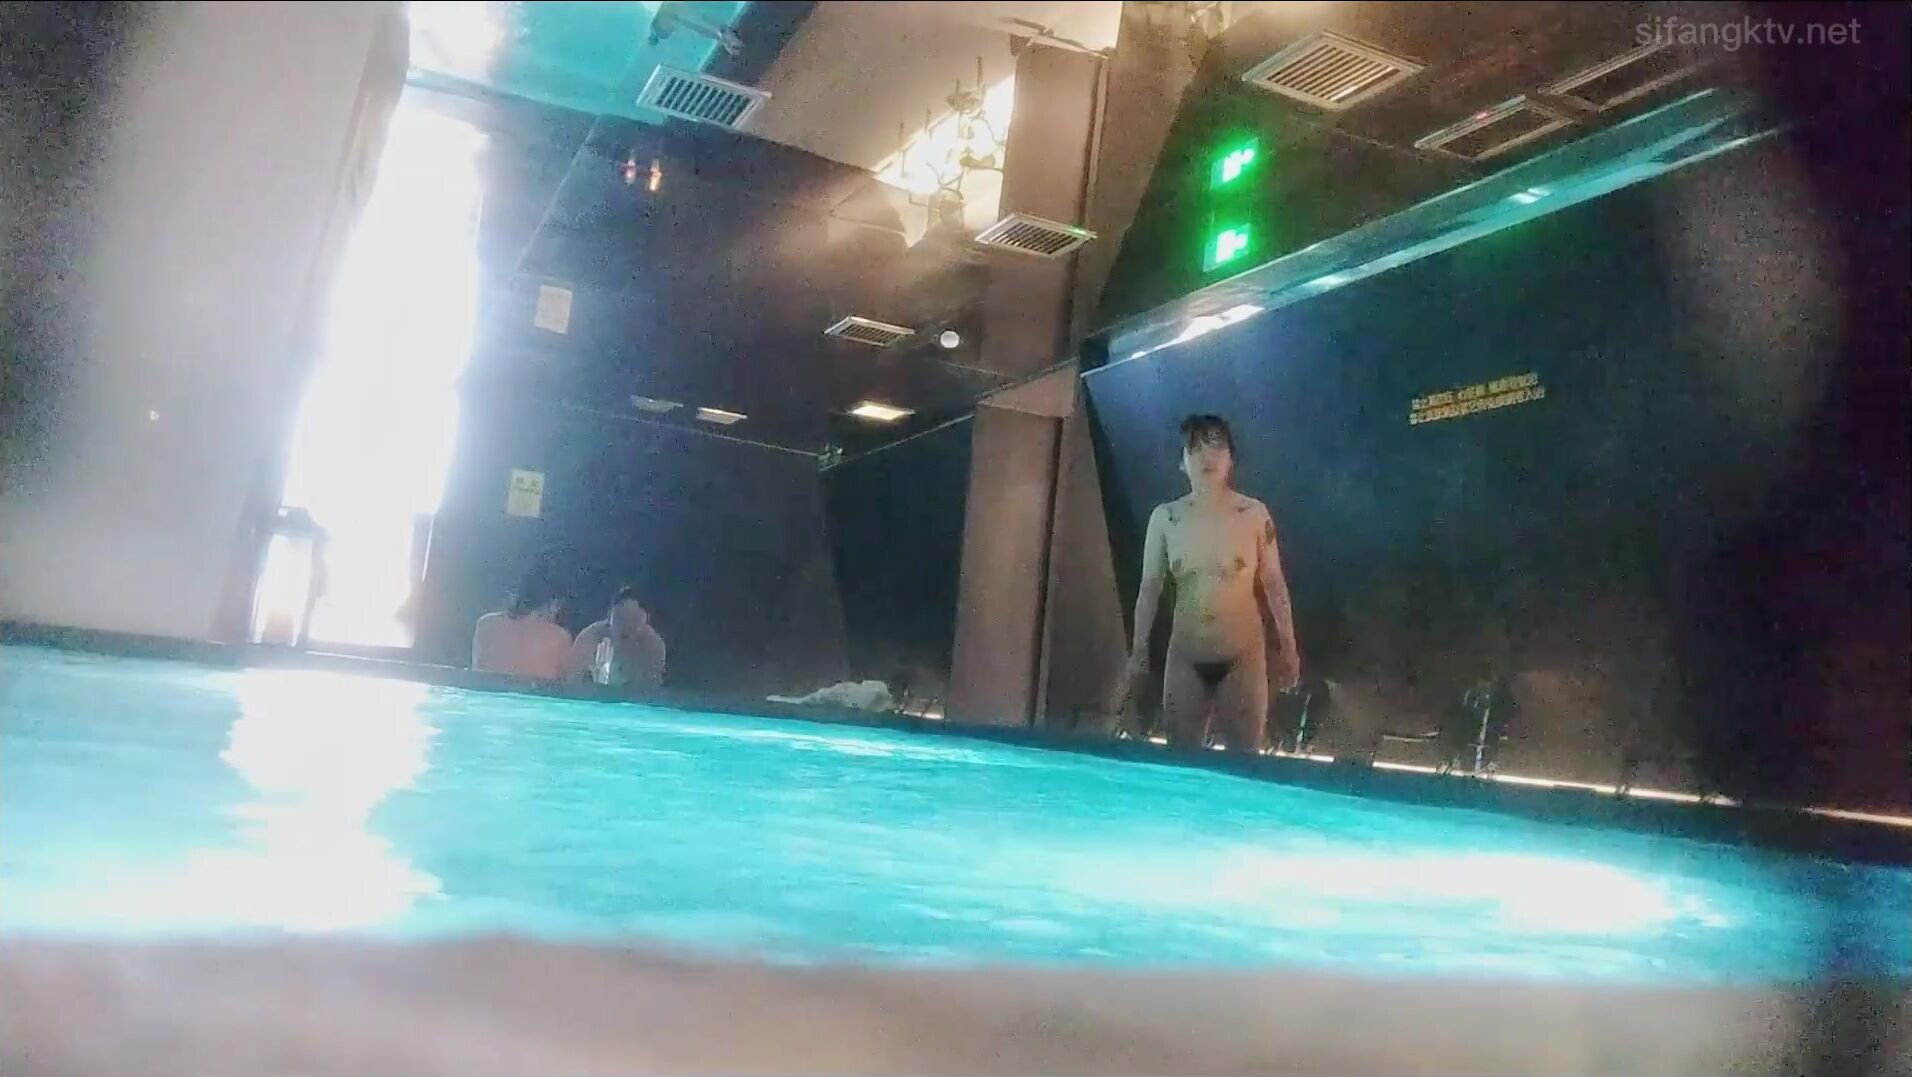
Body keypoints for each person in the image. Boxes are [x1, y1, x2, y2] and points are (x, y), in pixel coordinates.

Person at [1117, 414, 1300, 753]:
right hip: (1187, 655)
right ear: (1182, 462)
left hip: (1242, 655)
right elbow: (1150, 588)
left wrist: (1289, 646)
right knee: (1181, 760)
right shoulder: (1166, 518)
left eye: (1216, 447)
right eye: (1196, 449)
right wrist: (1139, 649)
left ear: (1231, 459)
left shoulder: (1254, 514)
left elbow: (1274, 584)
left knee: (1243, 762)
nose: (1207, 457)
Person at [471, 562, 573, 681]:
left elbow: (476, 676)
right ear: (554, 603)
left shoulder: (486, 625)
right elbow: (566, 685)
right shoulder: (559, 637)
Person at [568, 586, 667, 693]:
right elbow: (573, 681)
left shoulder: (653, 645)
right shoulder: (590, 638)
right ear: (609, 619)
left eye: (634, 620)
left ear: (646, 622)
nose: (627, 627)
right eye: (621, 619)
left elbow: (651, 689)